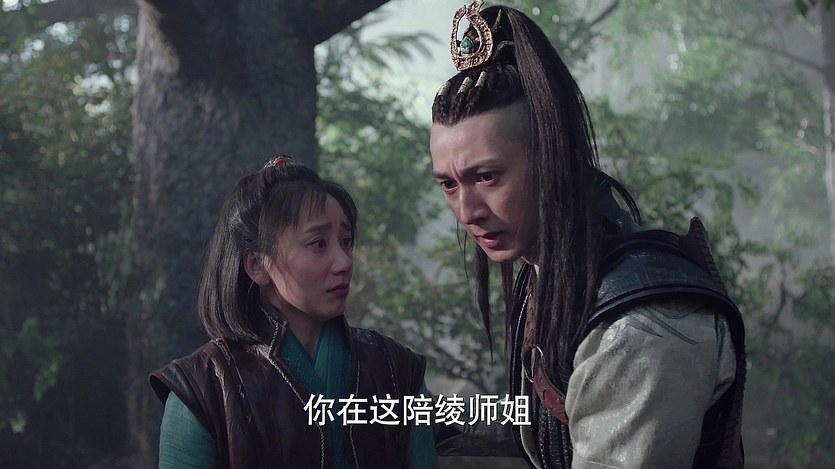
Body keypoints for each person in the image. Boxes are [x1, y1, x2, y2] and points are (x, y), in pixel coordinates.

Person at [429, 2, 746, 468]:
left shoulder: (639, 326)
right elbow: (539, 422)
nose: (467, 212)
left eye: (488, 177)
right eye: (449, 184)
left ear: (553, 160)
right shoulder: (549, 275)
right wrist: (391, 412)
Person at [149, 156, 438, 469]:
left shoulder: (395, 370)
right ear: (257, 265)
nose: (345, 262)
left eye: (346, 241)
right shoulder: (203, 389)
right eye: (318, 244)